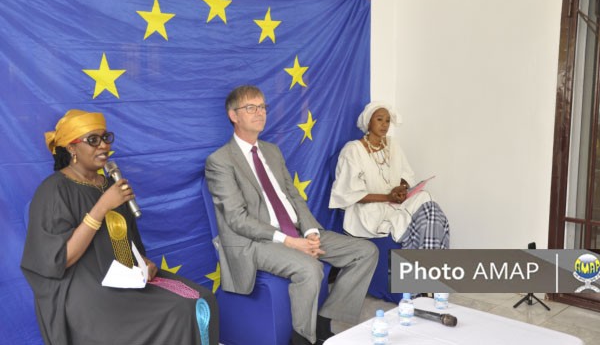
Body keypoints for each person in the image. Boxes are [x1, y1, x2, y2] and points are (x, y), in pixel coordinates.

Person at [21, 109, 219, 345]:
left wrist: (143, 263)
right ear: (72, 148)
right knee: (179, 309)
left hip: (126, 277)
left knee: (201, 300)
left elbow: (127, 240)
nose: (103, 146)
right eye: (93, 140)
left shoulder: (110, 183)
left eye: (106, 138)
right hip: (85, 291)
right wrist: (101, 207)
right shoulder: (54, 190)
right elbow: (61, 260)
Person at [205, 85, 378, 345]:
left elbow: (293, 196)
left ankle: (323, 320)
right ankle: (302, 339)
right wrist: (289, 242)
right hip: (255, 243)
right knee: (310, 268)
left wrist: (309, 232)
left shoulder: (272, 151)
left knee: (365, 252)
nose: (260, 113)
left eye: (263, 107)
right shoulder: (220, 161)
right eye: (251, 108)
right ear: (233, 115)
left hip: (296, 231)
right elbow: (237, 220)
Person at [329, 101, 450, 249]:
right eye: (379, 119)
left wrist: (401, 188)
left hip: (394, 202)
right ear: (368, 122)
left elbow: (406, 174)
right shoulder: (353, 150)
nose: (384, 124)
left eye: (387, 120)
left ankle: (427, 260)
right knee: (425, 218)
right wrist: (387, 197)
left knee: (426, 199)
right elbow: (350, 194)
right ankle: (429, 263)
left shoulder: (393, 145)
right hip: (369, 211)